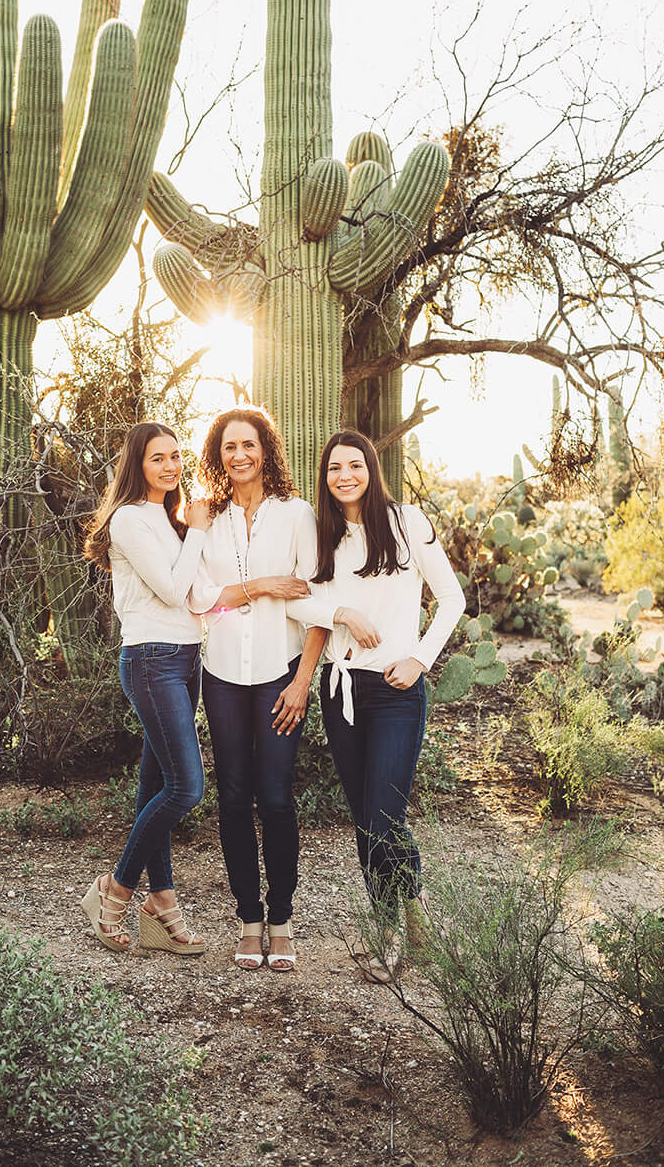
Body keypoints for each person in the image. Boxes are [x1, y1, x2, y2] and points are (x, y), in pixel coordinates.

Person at [291, 430, 465, 982]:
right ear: (325, 477)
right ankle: (407, 919)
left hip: (395, 690)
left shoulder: (407, 523)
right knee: (366, 819)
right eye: (334, 468)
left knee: (384, 814)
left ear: (371, 468)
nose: (344, 476)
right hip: (342, 689)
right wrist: (341, 611)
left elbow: (453, 599)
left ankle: (392, 932)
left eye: (354, 466)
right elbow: (304, 603)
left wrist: (418, 658)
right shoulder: (325, 534)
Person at [188, 407, 326, 972]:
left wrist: (302, 681)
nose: (239, 455)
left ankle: (283, 917)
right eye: (228, 448)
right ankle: (248, 919)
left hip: (279, 673)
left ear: (265, 448)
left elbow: (316, 602)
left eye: (248, 444)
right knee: (233, 799)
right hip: (221, 675)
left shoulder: (297, 515)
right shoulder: (206, 518)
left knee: (275, 797)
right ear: (218, 457)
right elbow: (200, 598)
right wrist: (259, 585)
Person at [78, 421, 209, 956]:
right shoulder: (129, 520)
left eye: (177, 457)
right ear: (137, 465)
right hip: (152, 659)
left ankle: (162, 903)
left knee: (155, 782)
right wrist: (198, 529)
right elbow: (175, 590)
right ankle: (116, 889)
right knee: (186, 787)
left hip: (185, 658)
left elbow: (198, 594)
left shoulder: (168, 520)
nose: (171, 466)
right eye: (158, 458)